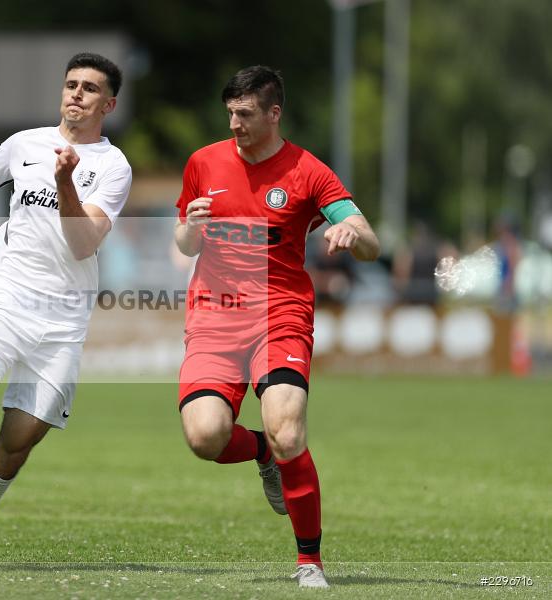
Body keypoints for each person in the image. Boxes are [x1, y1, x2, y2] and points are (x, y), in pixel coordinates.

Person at [0, 53, 131, 567]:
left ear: (108, 103)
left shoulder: (113, 166)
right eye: (71, 84)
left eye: (90, 88)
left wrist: (64, 183)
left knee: (13, 449)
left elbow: (83, 245)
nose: (76, 93)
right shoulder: (22, 144)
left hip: (61, 324)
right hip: (5, 298)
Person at [174, 66, 380, 588]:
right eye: (230, 114)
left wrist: (353, 233)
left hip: (280, 314)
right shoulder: (203, 162)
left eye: (244, 115)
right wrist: (190, 230)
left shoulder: (309, 172)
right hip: (215, 314)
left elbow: (370, 241)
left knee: (288, 429)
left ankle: (309, 562)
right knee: (205, 437)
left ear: (273, 113)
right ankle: (261, 453)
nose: (235, 124)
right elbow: (183, 242)